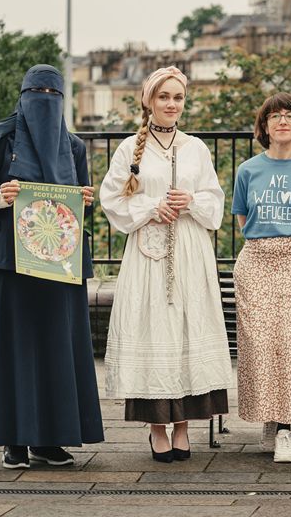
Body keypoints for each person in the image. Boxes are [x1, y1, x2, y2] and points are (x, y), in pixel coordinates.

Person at [0, 64, 103, 469]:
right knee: (11, 346)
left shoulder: (74, 147)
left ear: (61, 101)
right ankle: (13, 439)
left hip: (58, 262)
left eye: (52, 94)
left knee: (55, 347)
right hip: (5, 261)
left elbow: (78, 204)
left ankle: (50, 439)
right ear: (23, 95)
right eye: (36, 92)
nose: (43, 101)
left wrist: (85, 202)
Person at [99, 66, 233, 463]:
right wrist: (151, 206)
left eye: (177, 97)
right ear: (149, 101)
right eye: (164, 97)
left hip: (190, 250)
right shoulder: (129, 149)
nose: (171, 104)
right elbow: (113, 200)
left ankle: (185, 427)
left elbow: (215, 200)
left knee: (188, 328)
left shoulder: (195, 148)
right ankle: (158, 427)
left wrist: (190, 201)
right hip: (148, 253)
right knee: (155, 327)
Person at [231, 93, 291, 463]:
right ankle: (269, 418)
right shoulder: (248, 171)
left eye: (290, 116)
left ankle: (286, 428)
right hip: (256, 259)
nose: (283, 121)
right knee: (260, 343)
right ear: (264, 126)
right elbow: (243, 219)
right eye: (275, 116)